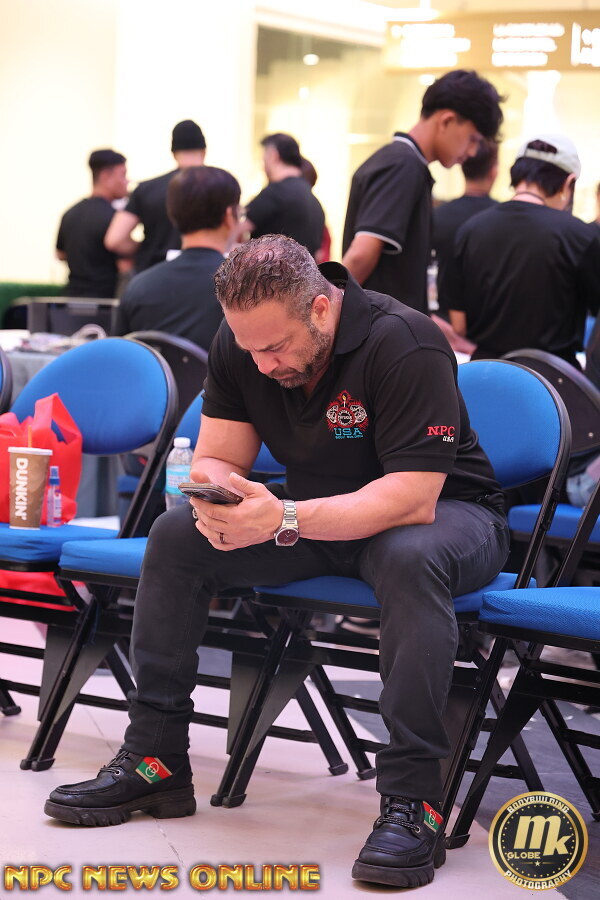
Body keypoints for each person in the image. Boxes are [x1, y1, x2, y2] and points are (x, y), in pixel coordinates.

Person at [45, 235, 509, 889]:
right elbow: (217, 456)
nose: (263, 364)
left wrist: (284, 516)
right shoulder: (243, 343)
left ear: (321, 307)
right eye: (250, 349)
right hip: (320, 512)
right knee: (177, 537)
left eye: (276, 347)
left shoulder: (405, 341)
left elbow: (413, 497)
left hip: (447, 516)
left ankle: (414, 802)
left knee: (407, 557)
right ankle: (156, 760)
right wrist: (218, 498)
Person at [342, 69, 503, 313]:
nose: (472, 152)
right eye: (473, 139)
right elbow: (360, 255)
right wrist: (321, 312)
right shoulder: (403, 166)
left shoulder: (404, 162)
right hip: (380, 330)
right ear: (447, 120)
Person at [447, 134, 600, 365]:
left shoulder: (469, 230)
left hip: (484, 371)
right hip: (552, 378)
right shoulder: (581, 236)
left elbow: (459, 325)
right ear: (568, 183)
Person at [114, 166, 239, 349]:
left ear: (172, 216)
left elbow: (120, 355)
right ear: (229, 216)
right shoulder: (244, 286)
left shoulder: (137, 288)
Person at [105, 120, 206, 272]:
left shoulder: (145, 189)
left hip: (154, 272)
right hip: (205, 275)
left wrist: (148, 248)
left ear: (173, 153)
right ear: (203, 151)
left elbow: (114, 240)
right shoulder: (223, 186)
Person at [433, 139, 499, 320]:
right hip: (490, 322)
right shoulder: (505, 220)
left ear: (462, 168)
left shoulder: (437, 216)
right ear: (494, 172)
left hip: (440, 321)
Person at [56, 149, 128, 298]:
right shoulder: (115, 218)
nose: (127, 182)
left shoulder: (70, 213)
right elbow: (125, 264)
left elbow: (60, 254)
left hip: (71, 300)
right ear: (106, 176)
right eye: (123, 175)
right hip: (104, 304)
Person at [242, 133, 325, 258]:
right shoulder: (314, 202)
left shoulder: (275, 192)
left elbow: (238, 230)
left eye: (263, 159)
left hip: (269, 269)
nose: (263, 166)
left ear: (273, 156)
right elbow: (318, 254)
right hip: (303, 270)